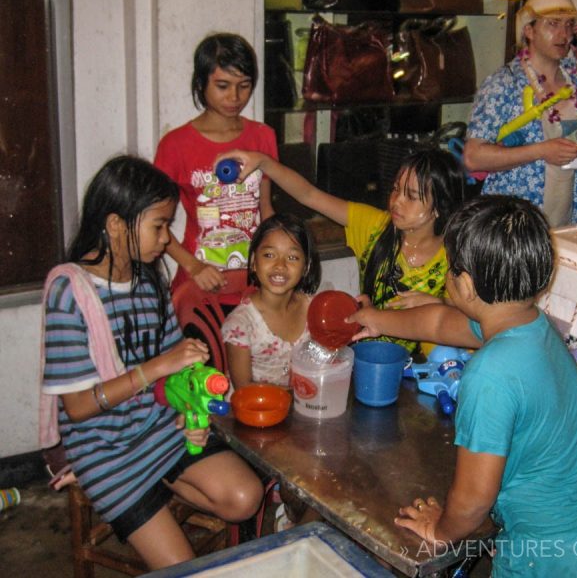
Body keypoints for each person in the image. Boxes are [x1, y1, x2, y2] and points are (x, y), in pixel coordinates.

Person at [349, 196, 577, 577]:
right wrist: (374, 318)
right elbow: (441, 324)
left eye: (450, 267)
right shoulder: (528, 323)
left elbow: (474, 501)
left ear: (467, 285)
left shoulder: (490, 374)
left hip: (556, 554)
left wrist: (440, 528)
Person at [40, 156, 263, 570]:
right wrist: (159, 367)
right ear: (115, 224)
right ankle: (154, 491)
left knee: (245, 498)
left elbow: (176, 364)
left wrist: (188, 400)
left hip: (159, 428)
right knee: (186, 571)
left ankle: (165, 482)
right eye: (159, 225)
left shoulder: (148, 282)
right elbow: (79, 407)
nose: (167, 239)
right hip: (105, 449)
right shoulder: (69, 291)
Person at [217, 147, 465, 355]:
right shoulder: (374, 227)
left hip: (425, 369)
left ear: (439, 208)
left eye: (411, 196)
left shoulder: (454, 254)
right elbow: (309, 195)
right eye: (395, 189)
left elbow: (474, 322)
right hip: (365, 355)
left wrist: (439, 304)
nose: (397, 201)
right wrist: (264, 162)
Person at [463, 0, 577, 227]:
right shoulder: (504, 84)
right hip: (515, 223)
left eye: (568, 25)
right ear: (529, 30)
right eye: (553, 24)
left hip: (571, 219)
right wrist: (541, 150)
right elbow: (473, 156)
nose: (563, 34)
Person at [154, 33, 278, 301]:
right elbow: (153, 222)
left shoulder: (262, 136)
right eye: (223, 85)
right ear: (201, 83)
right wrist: (193, 266)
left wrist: (276, 261)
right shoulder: (175, 145)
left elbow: (265, 210)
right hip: (201, 281)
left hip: (255, 281)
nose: (235, 96)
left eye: (244, 86)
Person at [222, 213, 321, 389]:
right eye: (269, 255)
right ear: (253, 261)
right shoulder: (241, 324)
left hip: (300, 407)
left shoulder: (313, 308)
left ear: (306, 267)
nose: (280, 265)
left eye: (292, 257)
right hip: (254, 410)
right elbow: (244, 389)